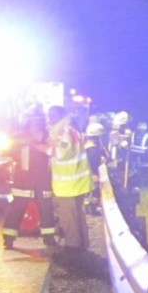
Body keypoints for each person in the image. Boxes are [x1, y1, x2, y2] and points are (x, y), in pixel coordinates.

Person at [1, 114, 56, 251]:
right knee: (16, 209)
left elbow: (53, 152)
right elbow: (8, 152)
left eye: (38, 122)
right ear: (28, 123)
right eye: (33, 122)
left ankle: (49, 238)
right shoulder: (19, 137)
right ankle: (8, 239)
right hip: (23, 181)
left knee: (46, 209)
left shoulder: (48, 136)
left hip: (43, 180)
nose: (35, 125)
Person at [47, 105, 92, 250]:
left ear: (61, 116)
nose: (50, 118)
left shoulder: (63, 131)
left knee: (68, 217)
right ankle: (82, 244)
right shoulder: (72, 129)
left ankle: (73, 247)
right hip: (76, 182)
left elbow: (62, 153)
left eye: (53, 115)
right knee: (78, 215)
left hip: (68, 184)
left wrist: (43, 148)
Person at [83, 121, 106, 215]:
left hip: (87, 175)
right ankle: (93, 209)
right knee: (93, 193)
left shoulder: (87, 146)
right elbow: (93, 162)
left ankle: (90, 208)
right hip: (91, 175)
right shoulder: (91, 149)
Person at [107, 111, 133, 189]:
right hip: (117, 163)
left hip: (115, 162)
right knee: (118, 184)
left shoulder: (113, 133)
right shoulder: (115, 134)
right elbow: (120, 147)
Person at [129, 120, 148, 189]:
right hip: (135, 157)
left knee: (144, 171)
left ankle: (144, 184)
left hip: (144, 158)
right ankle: (136, 184)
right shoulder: (133, 134)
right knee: (135, 171)